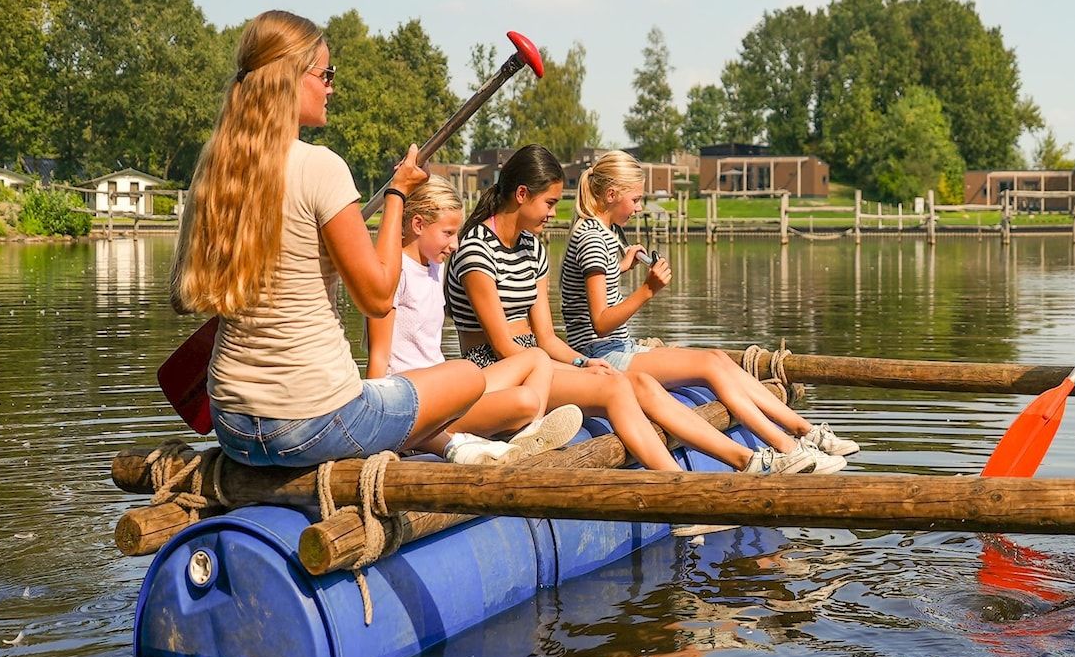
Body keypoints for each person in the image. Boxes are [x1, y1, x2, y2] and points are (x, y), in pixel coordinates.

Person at [172, 10, 503, 468]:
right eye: (325, 73)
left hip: (233, 424)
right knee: (467, 376)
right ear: (292, 79)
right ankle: (440, 443)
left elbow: (181, 295)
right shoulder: (321, 166)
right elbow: (377, 297)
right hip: (311, 422)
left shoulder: (215, 168)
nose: (331, 86)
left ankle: (440, 443)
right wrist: (397, 194)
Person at [446, 145, 824, 476]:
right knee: (615, 387)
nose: (552, 214)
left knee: (636, 381)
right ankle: (681, 488)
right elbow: (502, 347)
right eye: (547, 204)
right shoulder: (477, 251)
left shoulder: (533, 247)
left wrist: (580, 364)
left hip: (537, 360)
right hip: (496, 369)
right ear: (522, 194)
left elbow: (545, 337)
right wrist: (574, 365)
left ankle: (744, 459)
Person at [562, 150, 859, 464]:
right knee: (710, 366)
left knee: (716, 357)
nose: (638, 208)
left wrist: (621, 267)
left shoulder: (604, 234)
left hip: (620, 346)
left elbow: (592, 286)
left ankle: (803, 430)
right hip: (602, 355)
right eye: (635, 200)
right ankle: (787, 449)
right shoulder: (592, 239)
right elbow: (600, 322)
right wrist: (648, 290)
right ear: (612, 195)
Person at [364, 176, 583, 466]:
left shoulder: (432, 267)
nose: (455, 244)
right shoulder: (395, 274)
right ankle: (424, 436)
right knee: (524, 401)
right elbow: (379, 358)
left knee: (537, 358)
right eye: (447, 233)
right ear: (418, 225)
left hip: (444, 391)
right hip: (414, 403)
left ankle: (528, 436)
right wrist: (377, 429)